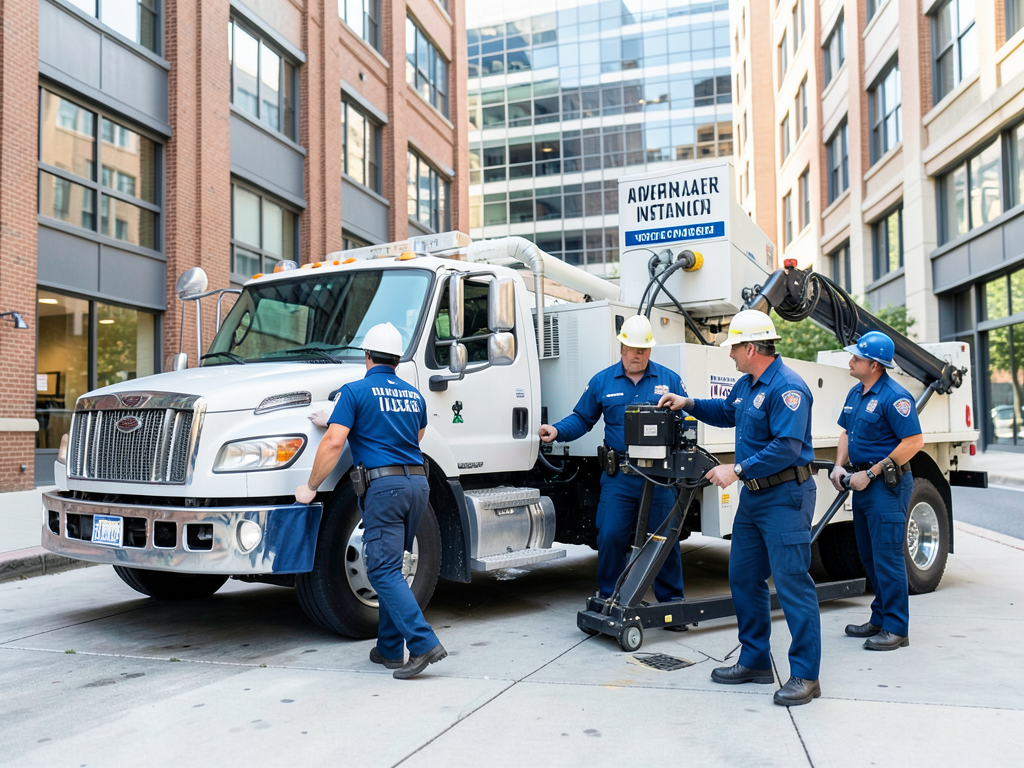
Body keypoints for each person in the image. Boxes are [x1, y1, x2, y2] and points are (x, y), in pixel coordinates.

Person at [658, 309, 821, 706]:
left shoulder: (788, 388)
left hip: (785, 497)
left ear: (751, 347)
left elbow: (787, 448)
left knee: (792, 583)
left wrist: (738, 469)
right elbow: (726, 412)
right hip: (755, 499)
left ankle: (805, 675)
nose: (730, 354)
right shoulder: (748, 385)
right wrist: (688, 402)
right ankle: (755, 661)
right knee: (743, 578)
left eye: (733, 348)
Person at [295, 322, 446, 679]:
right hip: (417, 486)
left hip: (385, 490)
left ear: (366, 356)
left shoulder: (355, 392)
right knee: (394, 566)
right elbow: (416, 434)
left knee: (381, 570)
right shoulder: (414, 395)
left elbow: (333, 443)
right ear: (396, 360)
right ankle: (391, 650)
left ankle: (423, 644)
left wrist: (311, 486)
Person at [538, 314, 687, 612]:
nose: (638, 355)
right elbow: (582, 418)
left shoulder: (669, 380)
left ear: (650, 350)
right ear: (621, 347)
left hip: (659, 477)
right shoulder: (602, 381)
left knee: (663, 538)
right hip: (621, 475)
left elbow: (684, 422)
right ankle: (609, 597)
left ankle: (672, 603)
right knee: (610, 534)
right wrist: (556, 431)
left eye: (643, 350)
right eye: (632, 349)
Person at [829, 331, 924, 651]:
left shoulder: (894, 397)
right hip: (862, 484)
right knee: (869, 555)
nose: (850, 361)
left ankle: (897, 629)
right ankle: (880, 617)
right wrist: (839, 466)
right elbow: (845, 433)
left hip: (887, 485)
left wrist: (871, 472)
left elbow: (913, 442)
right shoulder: (856, 393)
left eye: (856, 357)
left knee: (888, 557)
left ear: (874, 365)